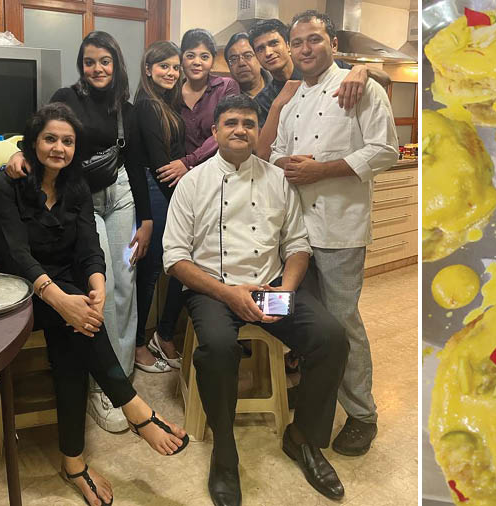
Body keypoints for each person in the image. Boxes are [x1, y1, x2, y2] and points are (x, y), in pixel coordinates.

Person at [0, 103, 188, 506]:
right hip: (12, 288)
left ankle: (75, 461)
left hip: (58, 281)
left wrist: (97, 286)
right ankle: (133, 411)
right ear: (33, 142)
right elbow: (16, 252)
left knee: (78, 331)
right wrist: (62, 301)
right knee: (75, 321)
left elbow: (89, 244)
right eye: (50, 139)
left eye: (67, 141)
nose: (59, 148)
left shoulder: (75, 186)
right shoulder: (9, 183)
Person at [163, 94, 349, 504]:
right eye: (231, 123)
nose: (240, 130)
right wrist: (227, 293)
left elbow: (298, 245)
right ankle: (225, 454)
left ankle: (302, 438)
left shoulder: (277, 179)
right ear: (215, 131)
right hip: (214, 290)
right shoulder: (192, 183)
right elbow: (174, 258)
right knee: (218, 348)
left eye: (249, 123)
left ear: (257, 130)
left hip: (269, 289)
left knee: (331, 338)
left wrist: (286, 289)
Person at [5, 31, 149, 434]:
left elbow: (135, 164)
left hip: (120, 198)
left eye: (105, 61)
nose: (97, 68)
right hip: (82, 199)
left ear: (116, 64)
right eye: (89, 61)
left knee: (125, 281)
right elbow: (40, 134)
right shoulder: (67, 96)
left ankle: (116, 379)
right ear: (81, 65)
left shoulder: (127, 107)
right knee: (96, 279)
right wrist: (18, 152)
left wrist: (148, 219)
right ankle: (98, 380)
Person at [268, 11, 399, 457]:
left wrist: (321, 169)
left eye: (314, 40)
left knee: (343, 322)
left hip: (340, 228)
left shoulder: (362, 88)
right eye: (298, 42)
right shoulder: (293, 101)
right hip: (299, 233)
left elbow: (385, 150)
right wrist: (291, 165)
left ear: (333, 43)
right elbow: (281, 154)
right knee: (316, 326)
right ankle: (318, 403)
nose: (305, 49)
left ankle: (363, 414)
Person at [142, 29, 241, 369]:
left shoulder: (225, 87)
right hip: (180, 189)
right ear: (181, 59)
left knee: (208, 257)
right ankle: (163, 332)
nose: (196, 62)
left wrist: (188, 162)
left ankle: (215, 329)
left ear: (212, 60)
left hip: (221, 181)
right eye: (190, 55)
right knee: (176, 258)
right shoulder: (171, 93)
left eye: (204, 56)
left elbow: (223, 131)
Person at [248, 19, 392, 160]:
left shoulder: (323, 66)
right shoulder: (263, 100)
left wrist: (362, 69)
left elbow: (385, 79)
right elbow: (263, 154)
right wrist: (277, 105)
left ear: (287, 46)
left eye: (274, 43)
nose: (268, 52)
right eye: (260, 49)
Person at [130, 40, 186, 373]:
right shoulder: (148, 107)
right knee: (149, 272)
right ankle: (139, 345)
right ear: (149, 69)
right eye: (164, 65)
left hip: (163, 191)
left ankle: (160, 336)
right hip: (156, 192)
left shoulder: (164, 104)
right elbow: (159, 164)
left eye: (175, 67)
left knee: (173, 267)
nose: (171, 72)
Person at [224, 32, 273, 126]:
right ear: (228, 66)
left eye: (248, 55)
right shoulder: (226, 98)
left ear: (259, 57)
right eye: (233, 59)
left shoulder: (280, 87)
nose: (241, 63)